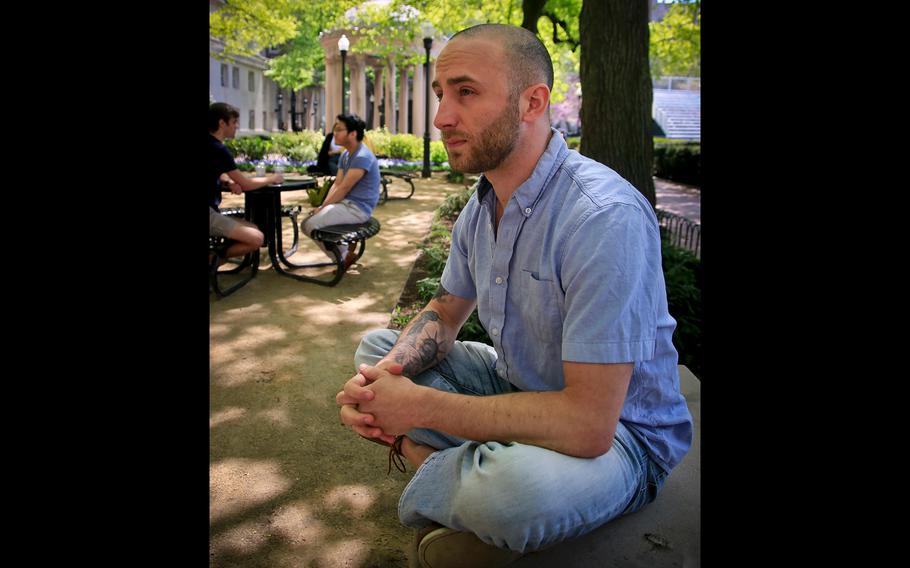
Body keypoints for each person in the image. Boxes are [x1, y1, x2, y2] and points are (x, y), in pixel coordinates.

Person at [335, 23, 693, 567]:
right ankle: (469, 470)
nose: (442, 118)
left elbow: (590, 424)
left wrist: (418, 412)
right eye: (440, 95)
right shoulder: (480, 210)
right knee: (375, 351)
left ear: (533, 101)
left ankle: (431, 460)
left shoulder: (602, 218)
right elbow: (445, 311)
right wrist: (384, 380)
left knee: (509, 493)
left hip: (622, 436)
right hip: (518, 382)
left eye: (466, 92)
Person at [301, 113, 380, 271]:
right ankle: (344, 254)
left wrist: (322, 209)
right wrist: (322, 206)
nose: (334, 133)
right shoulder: (346, 154)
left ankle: (343, 256)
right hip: (346, 206)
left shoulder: (362, 156)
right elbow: (337, 184)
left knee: (309, 224)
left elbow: (344, 188)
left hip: (357, 209)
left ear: (352, 134)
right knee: (310, 222)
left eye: (338, 129)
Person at [208, 102, 283, 262]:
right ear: (222, 123)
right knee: (256, 238)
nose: (236, 126)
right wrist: (272, 178)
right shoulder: (218, 150)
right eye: (234, 122)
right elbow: (246, 184)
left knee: (253, 228)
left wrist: (227, 181)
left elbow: (216, 171)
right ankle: (212, 261)